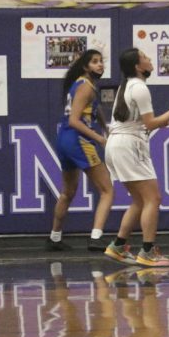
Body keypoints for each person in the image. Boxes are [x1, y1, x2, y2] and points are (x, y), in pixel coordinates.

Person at [103, 48, 169, 267]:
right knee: (153, 198)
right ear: (138, 67)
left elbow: (139, 123)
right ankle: (148, 251)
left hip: (116, 144)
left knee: (140, 200)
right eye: (146, 58)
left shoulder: (127, 86)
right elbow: (149, 123)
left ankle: (118, 246)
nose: (150, 59)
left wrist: (161, 121)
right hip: (129, 147)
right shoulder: (140, 87)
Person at [48, 49, 114, 252]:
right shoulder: (86, 87)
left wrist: (105, 125)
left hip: (64, 140)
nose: (100, 65)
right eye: (95, 62)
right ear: (86, 66)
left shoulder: (83, 84)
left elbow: (95, 108)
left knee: (67, 192)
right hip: (78, 140)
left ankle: (55, 237)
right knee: (107, 190)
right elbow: (74, 121)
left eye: (101, 61)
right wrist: (100, 139)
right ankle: (96, 237)